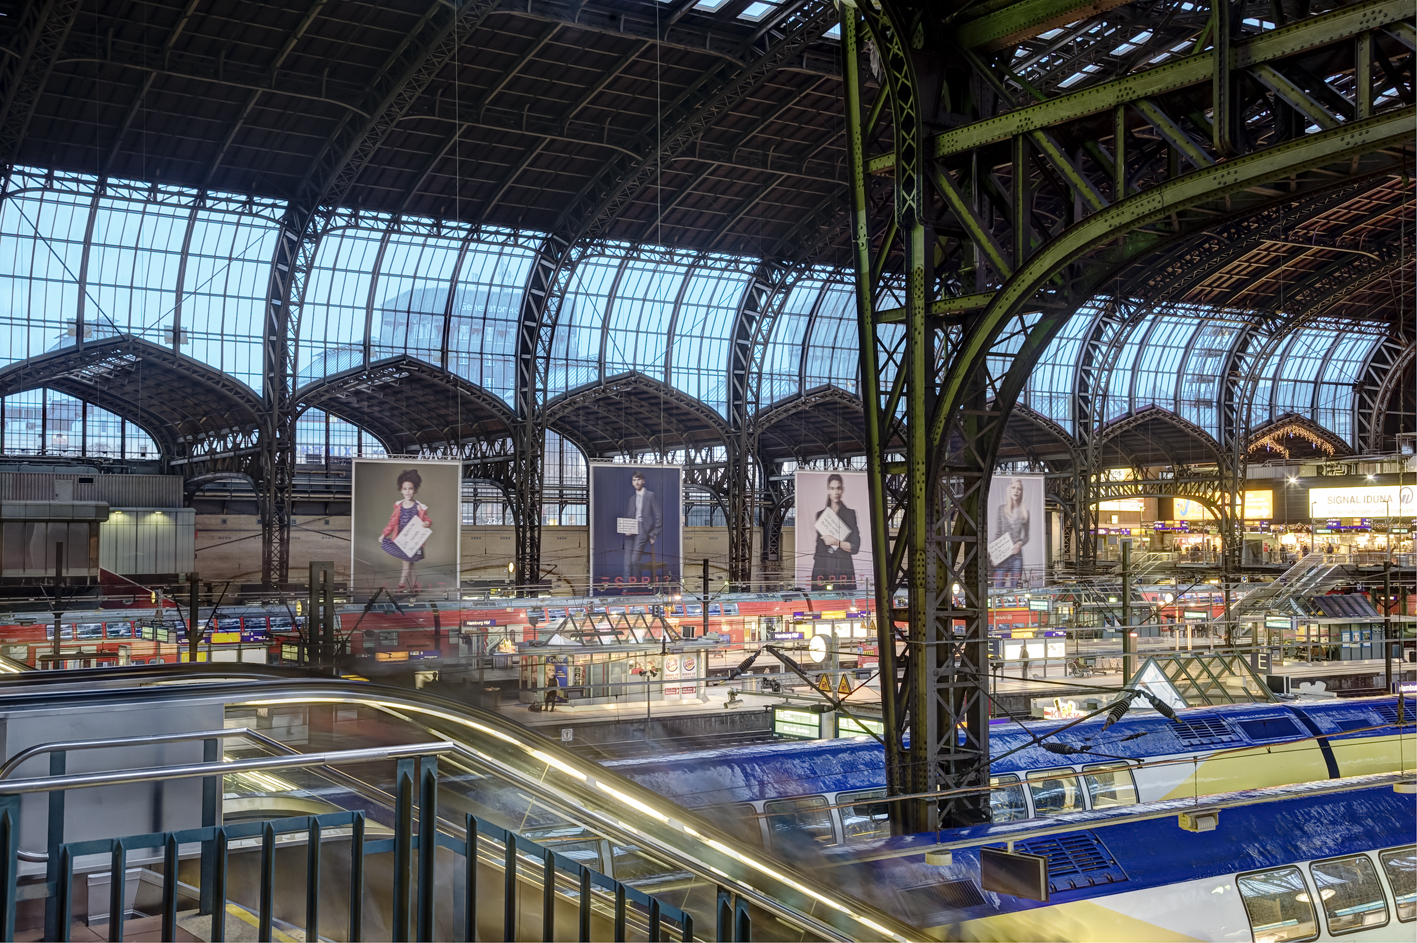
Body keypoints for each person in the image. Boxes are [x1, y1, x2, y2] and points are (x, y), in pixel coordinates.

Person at [380, 469, 432, 592]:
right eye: (405, 489)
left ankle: (402, 585)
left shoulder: (419, 507)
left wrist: (427, 523)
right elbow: (392, 522)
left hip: (413, 541)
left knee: (408, 563)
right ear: (401, 490)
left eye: (410, 489)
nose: (408, 491)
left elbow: (427, 520)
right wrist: (384, 534)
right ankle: (411, 585)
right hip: (402, 540)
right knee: (408, 563)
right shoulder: (399, 506)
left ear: (415, 490)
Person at [810, 473, 860, 590]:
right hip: (823, 565)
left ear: (842, 490)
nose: (836, 492)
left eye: (838, 488)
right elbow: (819, 547)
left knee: (845, 597)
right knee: (820, 597)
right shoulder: (821, 515)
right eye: (832, 488)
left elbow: (855, 547)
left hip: (843, 565)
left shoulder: (850, 514)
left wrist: (836, 542)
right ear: (828, 490)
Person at [623, 471, 663, 585]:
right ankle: (627, 585)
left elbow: (659, 515)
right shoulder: (632, 499)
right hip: (632, 528)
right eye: (634, 480)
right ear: (632, 482)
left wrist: (654, 533)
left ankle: (638, 584)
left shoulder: (650, 495)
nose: (636, 482)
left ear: (643, 481)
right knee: (627, 561)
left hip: (644, 529)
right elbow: (630, 516)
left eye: (638, 480)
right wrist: (627, 528)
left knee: (634, 559)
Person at [992, 478, 1031, 588]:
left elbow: (1026, 536)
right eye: (1013, 487)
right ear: (1009, 489)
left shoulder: (1025, 513)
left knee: (1016, 590)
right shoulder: (1001, 509)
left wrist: (1020, 543)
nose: (1016, 491)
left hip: (1016, 558)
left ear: (1021, 492)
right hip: (1002, 557)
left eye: (1019, 489)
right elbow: (998, 534)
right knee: (998, 589)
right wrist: (995, 555)